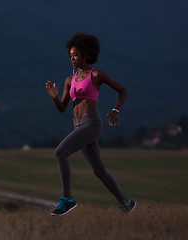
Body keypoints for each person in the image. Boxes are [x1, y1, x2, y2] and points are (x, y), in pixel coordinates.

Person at [45, 33, 136, 216]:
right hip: (78, 125)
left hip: (91, 124)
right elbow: (63, 107)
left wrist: (115, 110)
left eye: (76, 55)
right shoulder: (69, 80)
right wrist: (55, 98)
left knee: (60, 152)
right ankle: (125, 203)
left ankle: (67, 199)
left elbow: (123, 91)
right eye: (70, 56)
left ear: (85, 54)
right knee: (99, 171)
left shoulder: (96, 75)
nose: (72, 59)